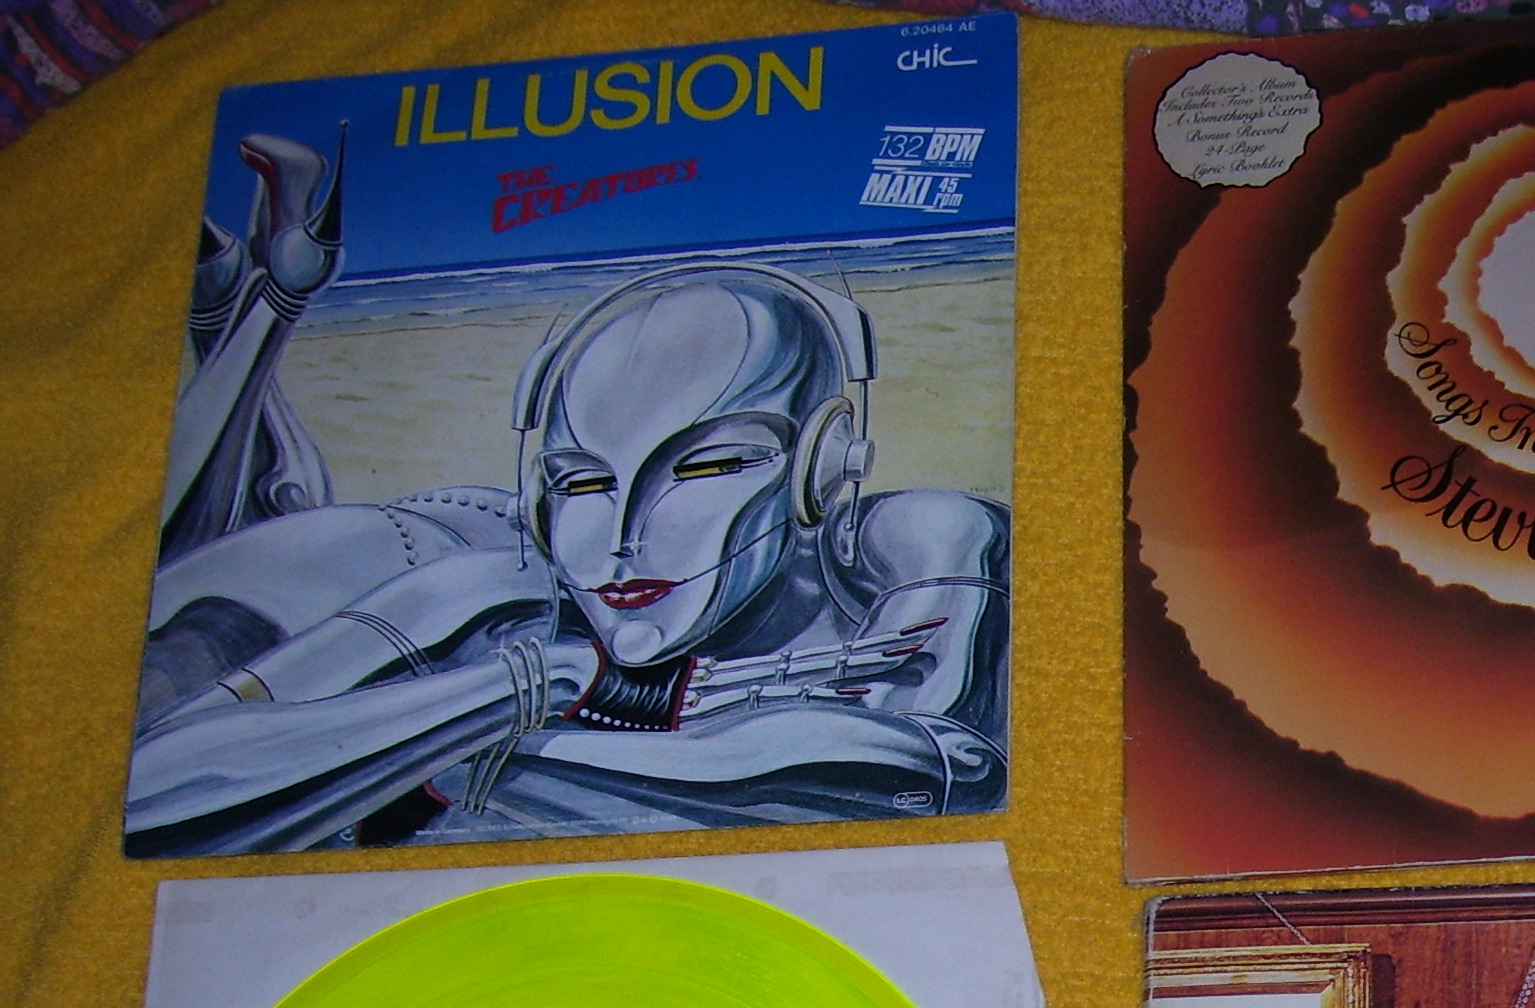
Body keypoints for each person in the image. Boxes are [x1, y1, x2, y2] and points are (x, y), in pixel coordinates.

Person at [126, 133, 1010, 856]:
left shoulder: (920, 540)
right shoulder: (492, 601)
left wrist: (425, 757)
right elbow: (156, 789)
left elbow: (935, 768)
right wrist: (529, 686)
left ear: (821, 466)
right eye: (582, 481)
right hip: (431, 541)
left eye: (705, 467)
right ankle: (251, 302)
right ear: (543, 496)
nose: (624, 537)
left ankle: (249, 301)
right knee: (192, 601)